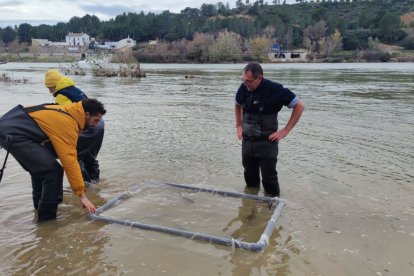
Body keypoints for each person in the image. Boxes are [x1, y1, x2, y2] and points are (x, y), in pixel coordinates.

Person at [0, 98, 106, 221]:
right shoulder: (68, 122)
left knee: (40, 170)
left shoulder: (68, 111)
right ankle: (47, 222)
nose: (96, 125)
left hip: (9, 128)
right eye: (96, 120)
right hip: (14, 134)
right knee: (53, 171)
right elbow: (70, 160)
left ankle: (38, 210)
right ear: (86, 114)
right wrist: (81, 195)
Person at [234, 62, 304, 197]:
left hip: (267, 141)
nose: (245, 84)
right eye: (243, 80)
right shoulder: (243, 88)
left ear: (259, 78)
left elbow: (299, 106)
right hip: (248, 140)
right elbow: (237, 104)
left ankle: (270, 207)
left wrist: (286, 130)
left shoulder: (275, 89)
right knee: (249, 175)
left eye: (248, 81)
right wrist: (238, 126)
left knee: (269, 178)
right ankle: (251, 206)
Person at [44, 69, 104, 183]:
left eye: (50, 87)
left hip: (88, 126)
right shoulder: (74, 89)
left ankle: (85, 186)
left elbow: (66, 117)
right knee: (90, 158)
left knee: (74, 158)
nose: (50, 91)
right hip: (99, 124)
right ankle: (96, 183)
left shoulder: (61, 95)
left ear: (56, 85)